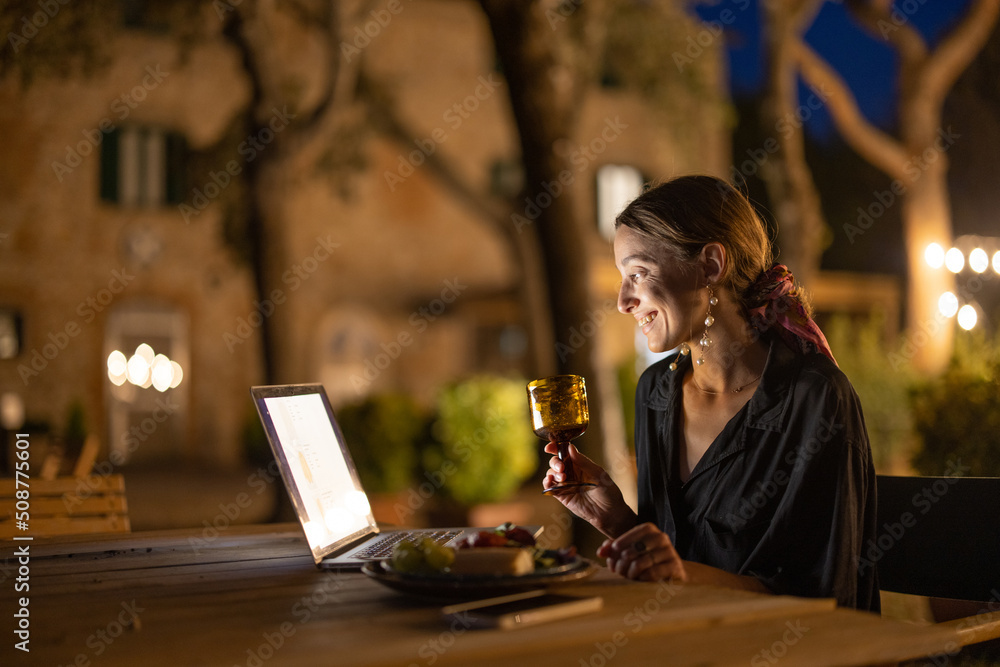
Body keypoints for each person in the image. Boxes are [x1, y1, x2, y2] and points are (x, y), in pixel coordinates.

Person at [544, 174, 880, 611]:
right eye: (621, 278)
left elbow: (829, 599)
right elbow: (674, 566)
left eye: (638, 273)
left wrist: (680, 577)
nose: (624, 300)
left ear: (711, 265)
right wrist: (614, 518)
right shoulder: (656, 392)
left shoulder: (813, 398)